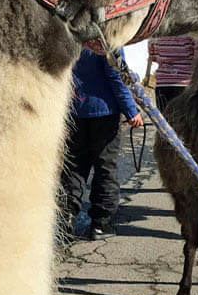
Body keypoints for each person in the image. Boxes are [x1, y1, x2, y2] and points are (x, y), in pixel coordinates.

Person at [60, 46, 143, 240]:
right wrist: (131, 111)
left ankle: (66, 219)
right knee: (105, 166)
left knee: (74, 167)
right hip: (104, 111)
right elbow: (116, 77)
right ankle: (100, 223)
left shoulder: (71, 33)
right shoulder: (106, 41)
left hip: (74, 110)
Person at [145, 35, 197, 113]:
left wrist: (147, 78)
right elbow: (196, 56)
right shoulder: (190, 36)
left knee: (165, 119)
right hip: (184, 83)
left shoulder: (156, 35)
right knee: (184, 118)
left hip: (162, 83)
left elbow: (152, 57)